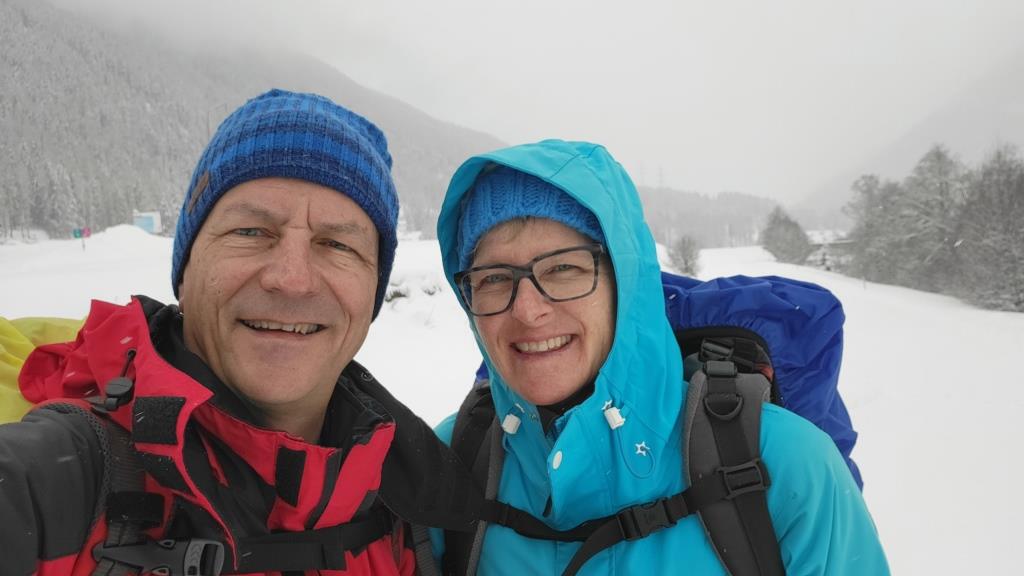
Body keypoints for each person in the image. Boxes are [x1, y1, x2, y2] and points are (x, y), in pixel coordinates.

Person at [0, 89, 478, 576]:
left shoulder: (412, 502)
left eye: (337, 244)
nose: (292, 279)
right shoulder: (52, 480)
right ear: (186, 270)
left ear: (372, 291)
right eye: (250, 232)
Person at [430, 140, 890, 574]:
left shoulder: (787, 462)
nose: (528, 311)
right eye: (493, 278)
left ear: (626, 284)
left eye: (563, 268)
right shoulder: (449, 462)